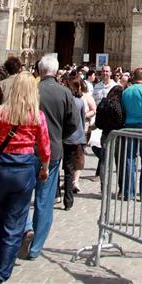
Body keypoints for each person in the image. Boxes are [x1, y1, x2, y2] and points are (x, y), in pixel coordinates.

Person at [0, 71, 50, 283]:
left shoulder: (0, 113)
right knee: (14, 225)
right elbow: (45, 148)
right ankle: (2, 275)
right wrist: (44, 168)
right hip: (24, 171)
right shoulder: (37, 116)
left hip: (1, 170)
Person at [18, 54, 78, 262]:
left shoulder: (28, 91)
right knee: (45, 200)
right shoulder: (64, 92)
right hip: (51, 151)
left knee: (21, 195)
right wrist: (58, 137)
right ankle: (35, 248)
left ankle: (25, 228)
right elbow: (73, 124)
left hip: (25, 150)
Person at [120, 67, 142, 199]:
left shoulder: (126, 91)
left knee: (130, 159)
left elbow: (123, 109)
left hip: (129, 126)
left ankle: (128, 193)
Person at [62, 77, 86, 210]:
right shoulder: (79, 102)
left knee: (58, 168)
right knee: (69, 170)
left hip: (62, 138)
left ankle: (56, 195)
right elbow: (81, 122)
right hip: (75, 138)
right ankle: (68, 200)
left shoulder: (65, 101)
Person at [94, 84, 124, 187]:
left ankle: (104, 185)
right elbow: (120, 120)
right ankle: (121, 186)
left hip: (105, 134)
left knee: (104, 161)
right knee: (119, 161)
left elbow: (97, 122)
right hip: (117, 135)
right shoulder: (117, 105)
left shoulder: (103, 103)